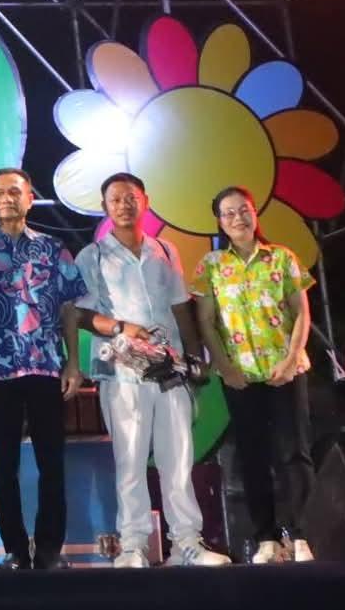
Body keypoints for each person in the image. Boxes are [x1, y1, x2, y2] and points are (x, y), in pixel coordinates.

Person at [74, 173, 228, 568]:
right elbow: (79, 314)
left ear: (145, 201)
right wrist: (121, 327)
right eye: (115, 199)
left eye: (131, 197)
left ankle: (186, 543)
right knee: (130, 460)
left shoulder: (164, 249)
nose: (124, 205)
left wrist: (193, 356)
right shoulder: (92, 256)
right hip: (122, 371)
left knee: (178, 458)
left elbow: (179, 306)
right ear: (105, 207)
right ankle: (133, 544)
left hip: (169, 368)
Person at [0, 168, 88, 571]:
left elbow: (69, 307)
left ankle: (49, 549)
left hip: (47, 367)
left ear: (30, 197)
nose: (7, 199)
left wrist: (73, 360)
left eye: (14, 191)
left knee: (52, 463)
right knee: (3, 465)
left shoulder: (53, 248)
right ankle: (14, 549)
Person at [192, 185, 315, 564]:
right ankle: (266, 538)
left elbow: (301, 312)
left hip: (286, 370)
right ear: (219, 221)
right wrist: (225, 367)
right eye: (228, 213)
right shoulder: (212, 266)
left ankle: (302, 535)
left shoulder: (281, 257)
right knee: (253, 456)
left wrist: (291, 359)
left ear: (254, 212)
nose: (238, 218)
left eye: (243, 210)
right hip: (240, 376)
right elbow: (206, 322)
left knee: (294, 453)